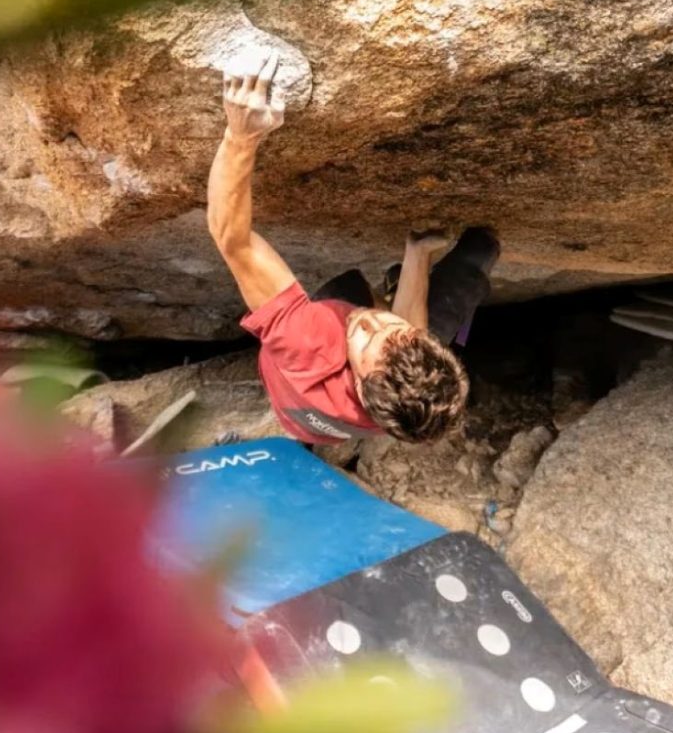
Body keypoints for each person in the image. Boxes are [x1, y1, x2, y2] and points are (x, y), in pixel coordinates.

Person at [206, 49, 499, 445]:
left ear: (361, 387)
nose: (374, 320)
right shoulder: (400, 405)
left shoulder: (309, 342)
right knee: (478, 255)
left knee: (350, 293)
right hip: (320, 417)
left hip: (298, 384)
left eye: (368, 337)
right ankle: (411, 276)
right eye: (395, 328)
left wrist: (241, 136)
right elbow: (410, 333)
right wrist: (417, 254)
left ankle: (395, 288)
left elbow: (231, 238)